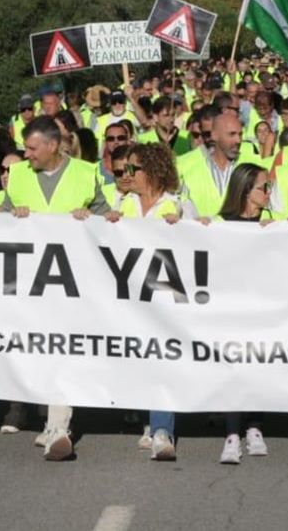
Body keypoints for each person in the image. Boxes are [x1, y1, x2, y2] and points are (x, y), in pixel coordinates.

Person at [0, 116, 111, 461]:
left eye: (32, 148)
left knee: (61, 348)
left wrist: (91, 218)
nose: (26, 154)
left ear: (52, 145)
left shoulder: (85, 172)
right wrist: (12, 214)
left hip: (72, 279)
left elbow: (110, 220)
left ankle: (59, 427)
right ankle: (49, 419)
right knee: (40, 350)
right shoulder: (18, 175)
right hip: (28, 282)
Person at [106, 143, 196, 461]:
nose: (127, 175)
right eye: (126, 169)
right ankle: (145, 418)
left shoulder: (179, 205)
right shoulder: (120, 202)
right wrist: (101, 221)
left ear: (154, 172)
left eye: (134, 169)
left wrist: (189, 227)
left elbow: (204, 241)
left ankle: (161, 430)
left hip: (164, 300)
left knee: (161, 360)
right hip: (127, 298)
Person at [179, 112, 249, 217]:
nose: (238, 140)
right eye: (232, 134)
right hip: (202, 232)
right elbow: (181, 210)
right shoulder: (191, 172)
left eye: (240, 134)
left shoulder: (251, 166)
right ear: (214, 136)